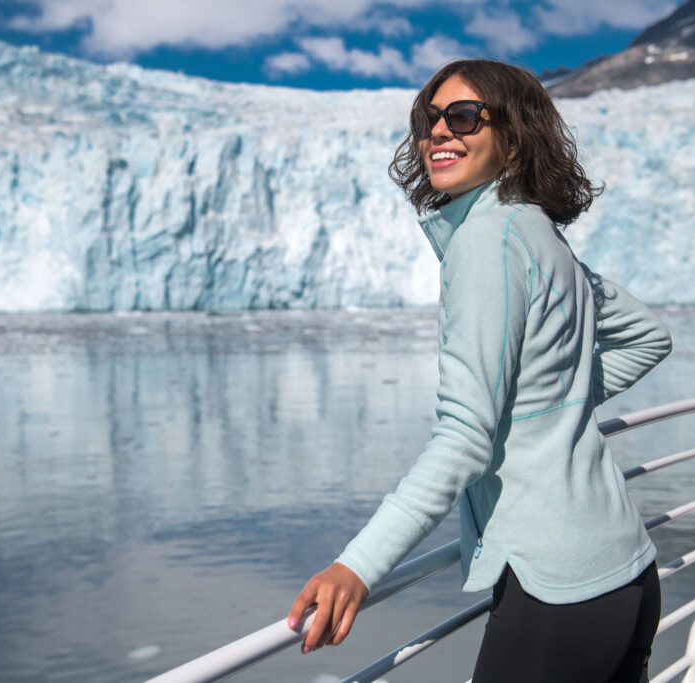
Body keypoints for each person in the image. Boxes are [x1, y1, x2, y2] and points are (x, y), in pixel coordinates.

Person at [287, 59, 672, 682]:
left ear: (514, 136)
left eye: (464, 116)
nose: (439, 131)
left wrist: (358, 565)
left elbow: (465, 436)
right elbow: (647, 336)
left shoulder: (487, 240)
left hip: (557, 591)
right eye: (429, 118)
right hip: (626, 571)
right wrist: (547, 405)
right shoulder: (538, 231)